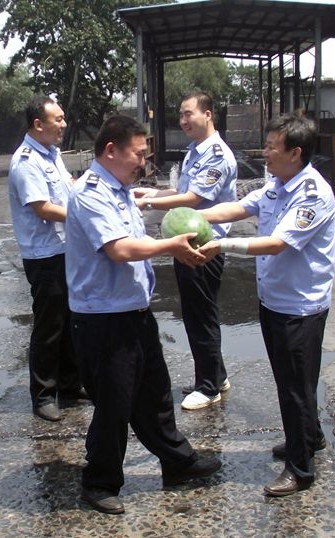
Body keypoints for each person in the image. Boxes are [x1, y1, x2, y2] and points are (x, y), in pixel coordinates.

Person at [65, 115, 222, 514]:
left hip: (133, 309)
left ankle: (178, 462)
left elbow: (135, 241)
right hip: (104, 318)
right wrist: (170, 246)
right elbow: (119, 249)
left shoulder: (120, 190)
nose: (143, 162)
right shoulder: (90, 193)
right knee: (115, 404)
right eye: (137, 154)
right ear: (111, 150)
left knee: (155, 394)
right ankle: (99, 482)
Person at [197, 114, 335, 497]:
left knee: (295, 388)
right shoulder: (278, 184)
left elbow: (277, 243)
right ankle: (309, 436)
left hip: (299, 308)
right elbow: (238, 208)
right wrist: (190, 215)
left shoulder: (313, 194)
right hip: (274, 300)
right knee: (295, 381)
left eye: (273, 146)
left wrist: (221, 245)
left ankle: (300, 469)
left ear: (295, 153)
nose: (265, 152)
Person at [133, 91, 237, 411]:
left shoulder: (216, 154)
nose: (183, 120)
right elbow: (181, 191)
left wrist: (149, 204)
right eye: (180, 115)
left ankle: (208, 387)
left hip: (203, 246)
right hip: (188, 242)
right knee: (196, 312)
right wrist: (151, 192)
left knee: (201, 315)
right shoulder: (196, 150)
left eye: (188, 113)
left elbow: (193, 199)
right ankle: (216, 375)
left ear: (208, 114)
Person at [7, 95, 84, 422]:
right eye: (58, 120)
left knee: (69, 321)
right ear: (38, 124)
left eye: (63, 118)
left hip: (64, 249)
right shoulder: (27, 161)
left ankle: (69, 385)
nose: (63, 125)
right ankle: (42, 395)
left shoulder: (51, 155)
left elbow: (67, 190)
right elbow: (43, 208)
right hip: (44, 255)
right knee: (49, 326)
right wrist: (84, 216)